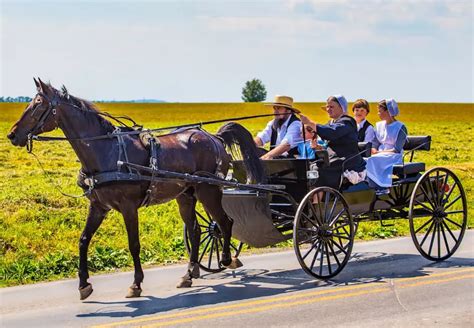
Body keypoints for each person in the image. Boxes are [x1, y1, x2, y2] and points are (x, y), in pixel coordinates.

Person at [300, 95, 366, 190]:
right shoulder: (330, 123)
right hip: (333, 158)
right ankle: (307, 195)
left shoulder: (348, 121)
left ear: (341, 107)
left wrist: (310, 123)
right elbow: (327, 142)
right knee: (308, 166)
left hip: (347, 159)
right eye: (327, 106)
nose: (328, 109)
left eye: (331, 107)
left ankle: (316, 200)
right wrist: (318, 147)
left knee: (319, 170)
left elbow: (332, 132)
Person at [366, 99, 408, 194]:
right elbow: (375, 142)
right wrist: (373, 149)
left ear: (388, 112)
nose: (378, 113)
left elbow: (397, 149)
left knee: (372, 160)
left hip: (393, 156)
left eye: (380, 111)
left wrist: (379, 153)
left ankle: (381, 187)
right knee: (365, 159)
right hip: (380, 154)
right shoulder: (379, 125)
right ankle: (370, 185)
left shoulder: (400, 127)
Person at [254, 95, 303, 160]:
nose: (275, 111)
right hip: (276, 161)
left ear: (288, 110)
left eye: (279, 108)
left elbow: (285, 145)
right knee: (254, 151)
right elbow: (261, 138)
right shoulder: (273, 123)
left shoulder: (295, 124)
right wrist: (250, 144)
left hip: (291, 163)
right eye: (275, 108)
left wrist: (265, 157)